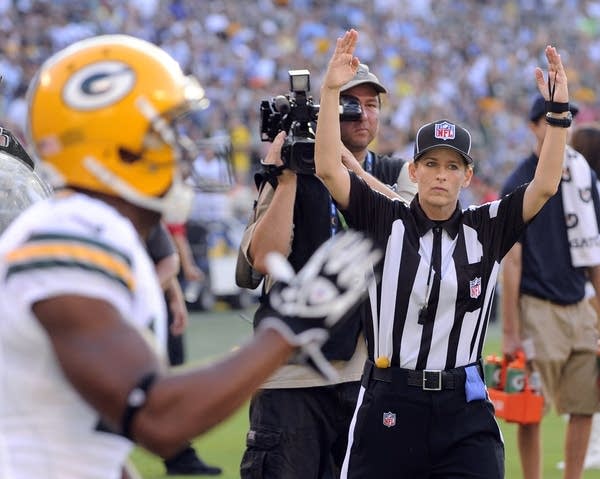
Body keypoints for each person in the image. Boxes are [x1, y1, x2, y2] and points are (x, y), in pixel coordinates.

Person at [0, 34, 381, 479]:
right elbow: (157, 417)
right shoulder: (68, 235)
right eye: (166, 130)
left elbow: (85, 425)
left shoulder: (97, 233)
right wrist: (288, 328)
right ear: (120, 146)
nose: (182, 149)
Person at [314, 28, 570, 478]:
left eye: (452, 166)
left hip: (463, 405)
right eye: (431, 164)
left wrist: (558, 113)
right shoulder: (384, 216)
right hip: (391, 399)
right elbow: (327, 169)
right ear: (412, 169)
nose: (440, 175)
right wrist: (331, 90)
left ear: (467, 176)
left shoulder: (487, 228)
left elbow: (546, 184)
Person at [236, 60, 415, 478]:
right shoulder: (289, 174)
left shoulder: (393, 172)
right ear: (326, 112)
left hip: (368, 372)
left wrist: (344, 168)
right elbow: (263, 261)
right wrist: (288, 178)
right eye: (349, 104)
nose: (363, 115)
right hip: (291, 376)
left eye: (372, 105)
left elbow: (413, 235)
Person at [501, 96, 600, 479]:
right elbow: (511, 260)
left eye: (567, 119)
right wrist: (510, 330)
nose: (564, 126)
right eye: (552, 120)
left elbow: (595, 254)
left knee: (585, 403)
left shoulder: (582, 175)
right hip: (537, 306)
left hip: (579, 305)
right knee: (530, 408)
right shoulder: (519, 180)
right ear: (533, 127)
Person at [146, 222, 222, 476]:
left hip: (142, 308)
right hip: (122, 312)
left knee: (160, 381)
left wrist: (175, 298)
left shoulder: (143, 214)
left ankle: (179, 453)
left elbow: (166, 258)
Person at [552, 123, 600, 473]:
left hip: (584, 292)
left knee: (586, 375)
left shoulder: (583, 188)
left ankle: (592, 447)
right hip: (587, 291)